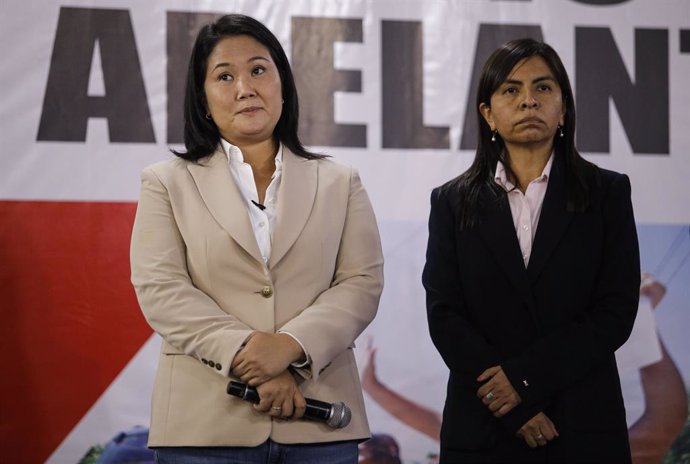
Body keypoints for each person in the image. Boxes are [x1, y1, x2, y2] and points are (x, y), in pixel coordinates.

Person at [129, 14, 383, 464]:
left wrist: (290, 348)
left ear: (282, 83)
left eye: (259, 70)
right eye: (224, 76)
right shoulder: (166, 182)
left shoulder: (340, 181)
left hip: (319, 420)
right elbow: (162, 290)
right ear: (204, 100)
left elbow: (361, 284)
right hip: (204, 425)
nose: (245, 87)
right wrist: (253, 358)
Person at [422, 38, 640, 463]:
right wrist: (513, 405)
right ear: (487, 113)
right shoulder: (450, 202)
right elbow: (444, 315)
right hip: (483, 429)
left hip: (581, 426)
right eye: (510, 90)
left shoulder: (608, 193)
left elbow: (614, 312)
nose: (528, 101)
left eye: (543, 88)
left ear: (563, 109)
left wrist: (522, 383)